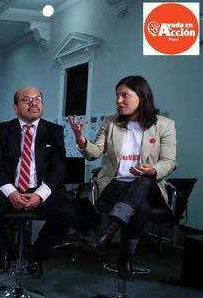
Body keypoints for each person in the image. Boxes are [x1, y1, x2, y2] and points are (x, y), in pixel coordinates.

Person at [68, 75, 176, 279]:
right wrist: (81, 139)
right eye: (117, 96)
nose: (119, 100)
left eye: (125, 95)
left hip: (149, 185)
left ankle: (109, 230)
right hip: (116, 185)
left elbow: (169, 161)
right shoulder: (110, 122)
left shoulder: (164, 125)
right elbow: (95, 152)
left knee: (143, 182)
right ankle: (124, 256)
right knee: (140, 206)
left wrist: (152, 171)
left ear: (142, 96)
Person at [0, 86, 76, 277]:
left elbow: (59, 169)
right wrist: (11, 192)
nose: (34, 103)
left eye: (38, 99)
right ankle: (4, 251)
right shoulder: (3, 129)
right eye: (26, 100)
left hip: (40, 189)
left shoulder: (54, 131)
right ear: (15, 107)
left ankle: (37, 255)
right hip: (9, 188)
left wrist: (40, 195)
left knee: (67, 213)